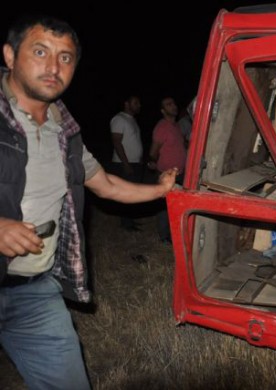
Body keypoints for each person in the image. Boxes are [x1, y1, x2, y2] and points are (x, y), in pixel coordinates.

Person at [0, 15, 178, 389]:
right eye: (40, 51)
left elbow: (108, 185)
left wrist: (161, 190)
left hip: (34, 291)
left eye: (65, 58)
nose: (53, 67)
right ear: (10, 56)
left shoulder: (66, 133)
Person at [148, 96, 187, 244]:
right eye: (168, 105)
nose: (173, 106)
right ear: (163, 111)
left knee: (178, 206)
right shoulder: (162, 127)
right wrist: (152, 163)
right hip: (167, 174)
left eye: (174, 103)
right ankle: (164, 237)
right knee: (164, 207)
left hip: (180, 173)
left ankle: (176, 233)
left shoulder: (176, 126)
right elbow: (153, 150)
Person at [109, 94, 144, 231]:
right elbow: (117, 142)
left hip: (135, 163)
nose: (138, 105)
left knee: (133, 193)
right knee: (126, 193)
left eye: (138, 103)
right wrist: (126, 163)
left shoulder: (132, 120)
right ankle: (126, 223)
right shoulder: (119, 119)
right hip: (124, 164)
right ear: (127, 104)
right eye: (135, 102)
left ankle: (130, 220)